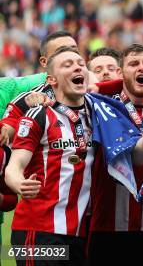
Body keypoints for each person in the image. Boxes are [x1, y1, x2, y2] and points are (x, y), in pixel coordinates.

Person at [5, 46, 94, 266]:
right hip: (40, 231)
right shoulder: (39, 114)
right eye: (67, 64)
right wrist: (20, 183)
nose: (77, 67)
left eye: (80, 64)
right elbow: (14, 166)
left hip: (82, 232)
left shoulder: (97, 114)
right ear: (52, 81)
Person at [88, 43, 143, 266]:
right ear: (121, 73)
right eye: (134, 64)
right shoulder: (101, 107)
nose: (141, 68)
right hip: (106, 227)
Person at [0, 31, 78, 145]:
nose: (70, 56)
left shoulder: (92, 88)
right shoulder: (14, 88)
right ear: (44, 62)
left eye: (75, 51)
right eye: (62, 51)